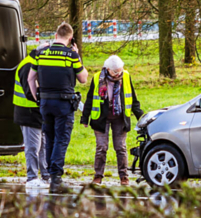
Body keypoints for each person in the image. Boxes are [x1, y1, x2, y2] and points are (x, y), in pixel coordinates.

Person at [27, 23, 88, 193]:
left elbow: (31, 78)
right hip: (64, 104)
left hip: (45, 103)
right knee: (61, 139)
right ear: (70, 38)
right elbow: (83, 78)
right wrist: (77, 55)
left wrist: (37, 98)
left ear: (55, 35)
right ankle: (55, 177)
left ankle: (51, 173)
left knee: (50, 138)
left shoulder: (41, 53)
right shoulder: (71, 55)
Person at [79, 54, 143, 186]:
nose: (118, 74)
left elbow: (133, 98)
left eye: (120, 70)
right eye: (115, 71)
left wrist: (141, 117)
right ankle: (98, 176)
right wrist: (85, 118)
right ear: (107, 69)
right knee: (101, 147)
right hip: (101, 119)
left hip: (120, 118)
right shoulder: (97, 78)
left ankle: (124, 177)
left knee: (121, 148)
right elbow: (90, 98)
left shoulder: (125, 76)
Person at [13, 46, 48, 188]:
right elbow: (30, 92)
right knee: (33, 147)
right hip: (28, 112)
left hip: (36, 112)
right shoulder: (28, 65)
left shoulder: (34, 63)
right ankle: (32, 177)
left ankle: (45, 175)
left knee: (43, 146)